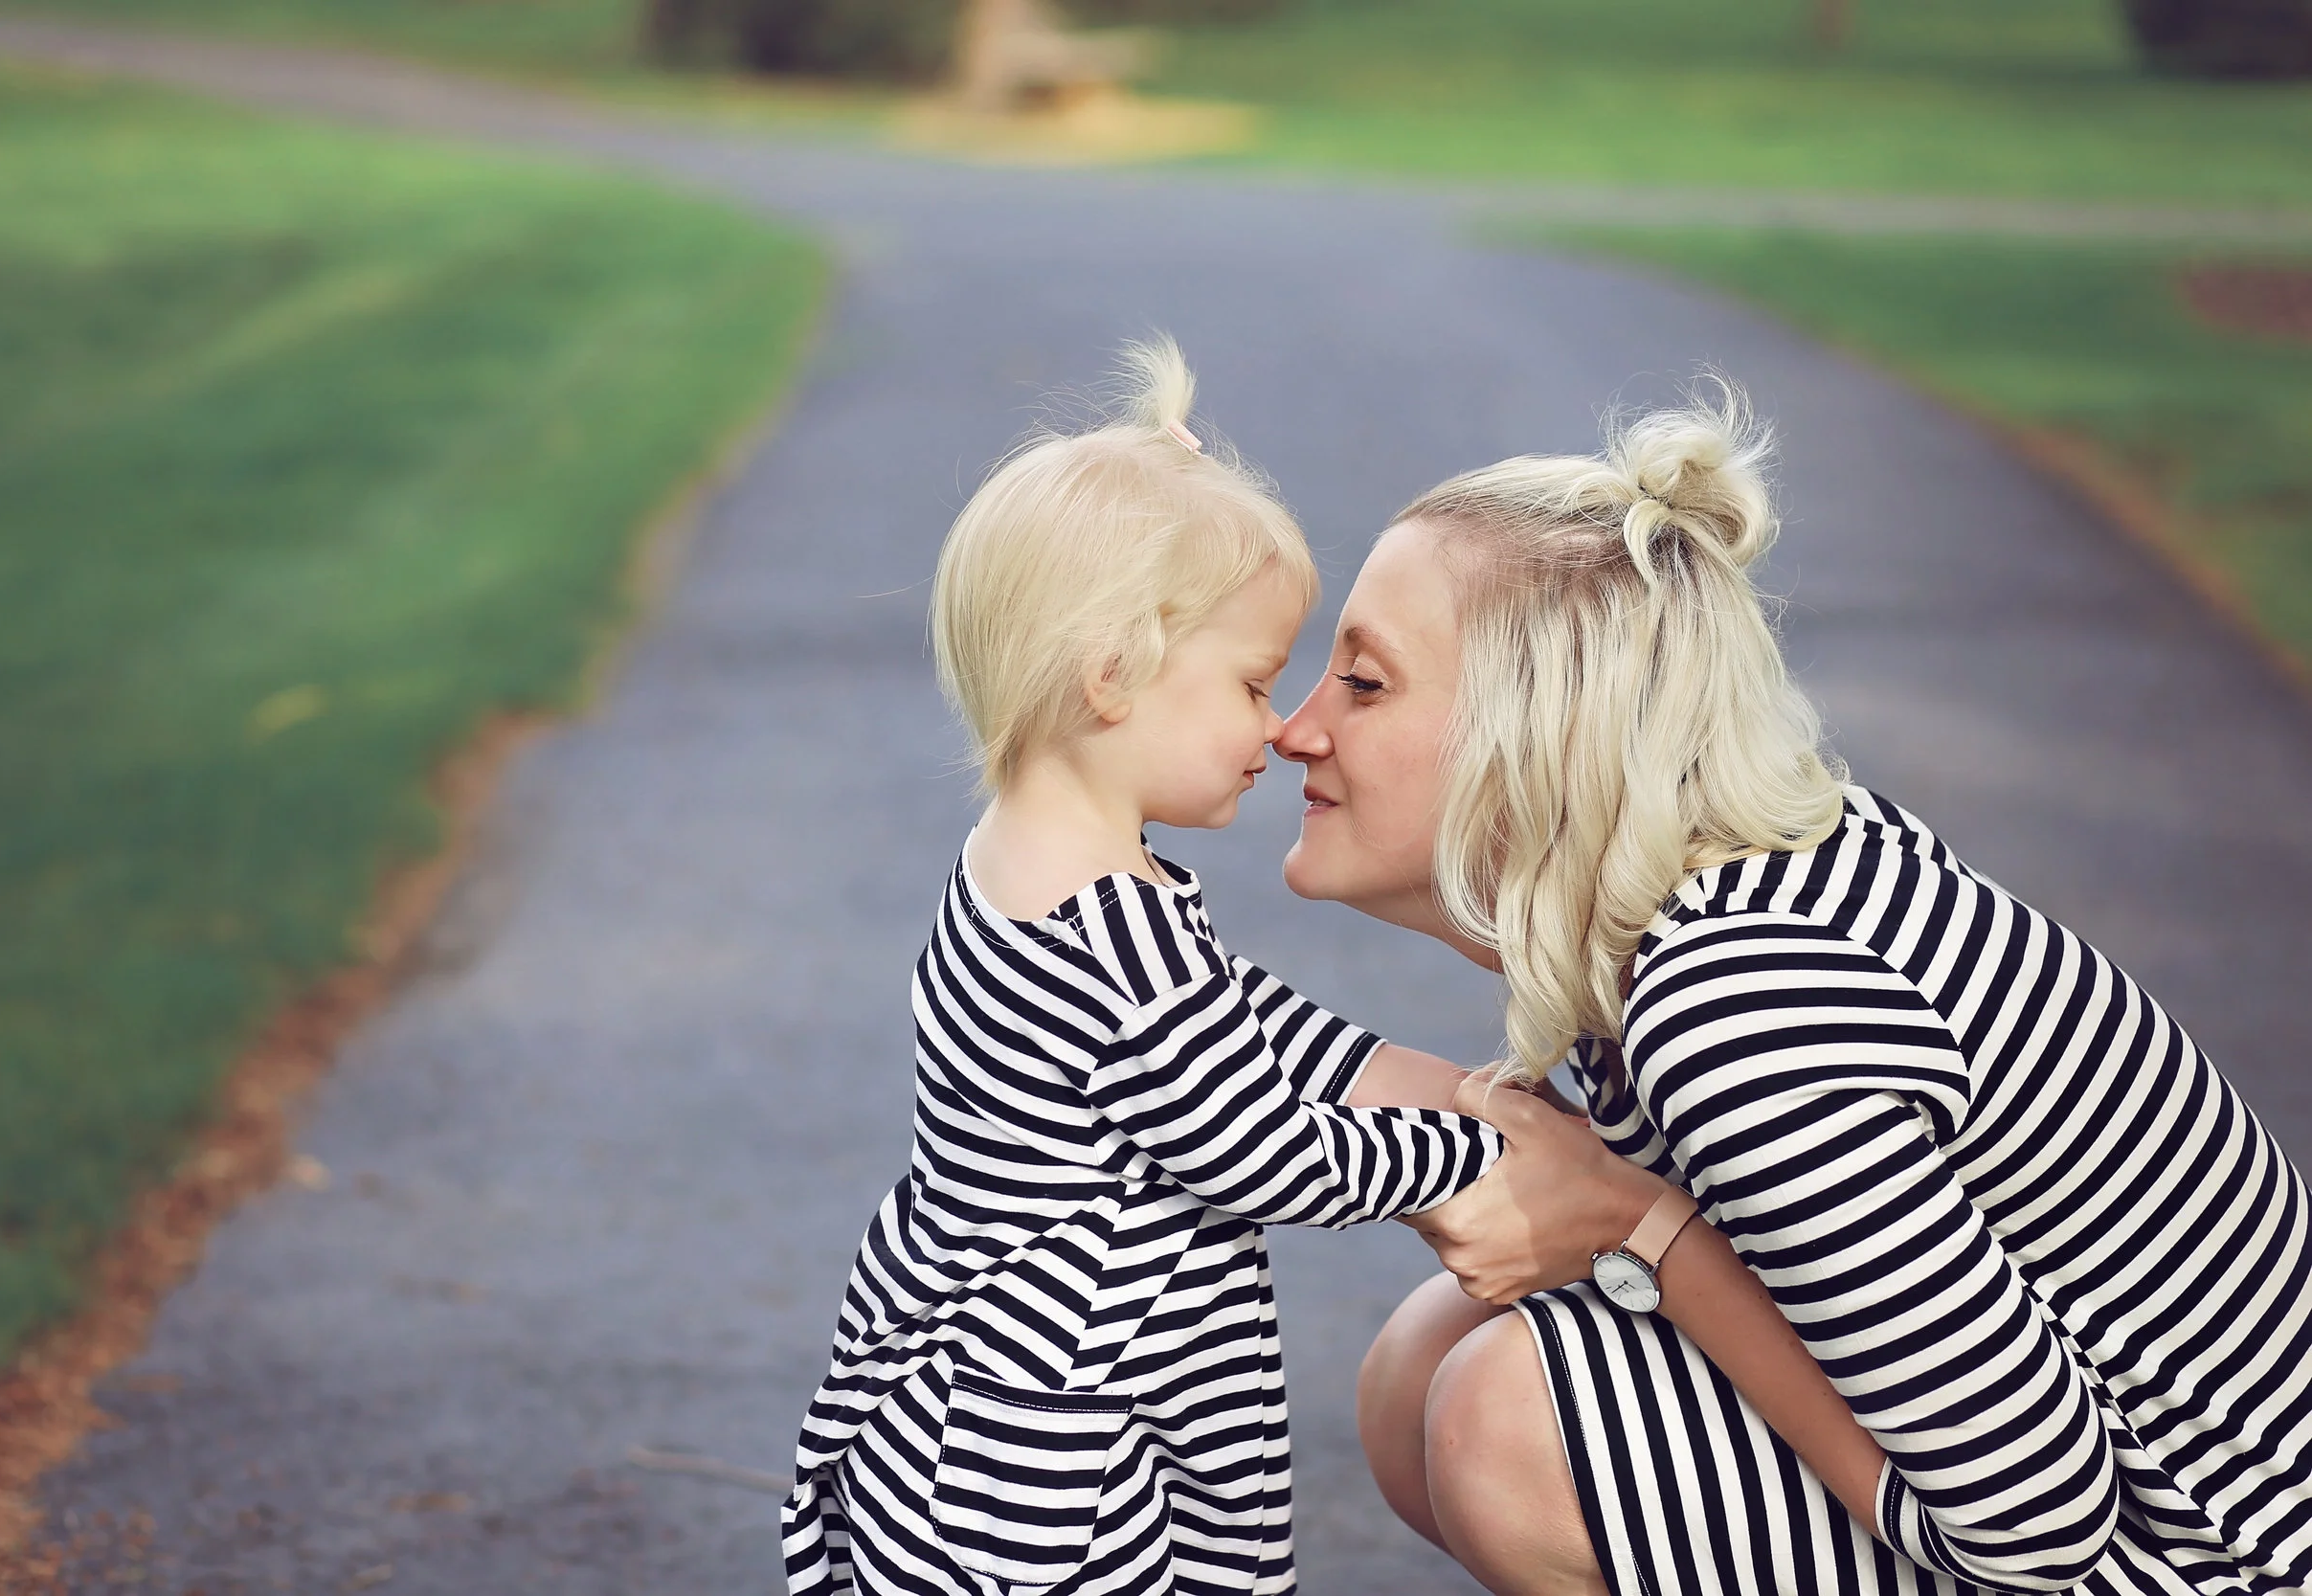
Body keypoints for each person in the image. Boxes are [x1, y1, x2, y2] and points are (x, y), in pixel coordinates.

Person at [1278, 388, 2312, 1595]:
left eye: (1363, 683)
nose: (1297, 729)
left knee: (1505, 1419)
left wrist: (1633, 1223)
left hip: (2214, 1558)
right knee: (1426, 1354)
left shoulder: (1735, 1003)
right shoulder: (1726, 894)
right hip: (2155, 1522)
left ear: (1535, 732)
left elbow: (2033, 1526)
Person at [779, 339, 1505, 1596]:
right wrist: (1468, 1154)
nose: (1279, 726)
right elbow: (1259, 1150)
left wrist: (1403, 1071)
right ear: (1111, 675)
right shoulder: (1109, 921)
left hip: (987, 1367)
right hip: (1068, 1433)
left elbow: (1227, 1022)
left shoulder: (1021, 862)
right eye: (1253, 682)